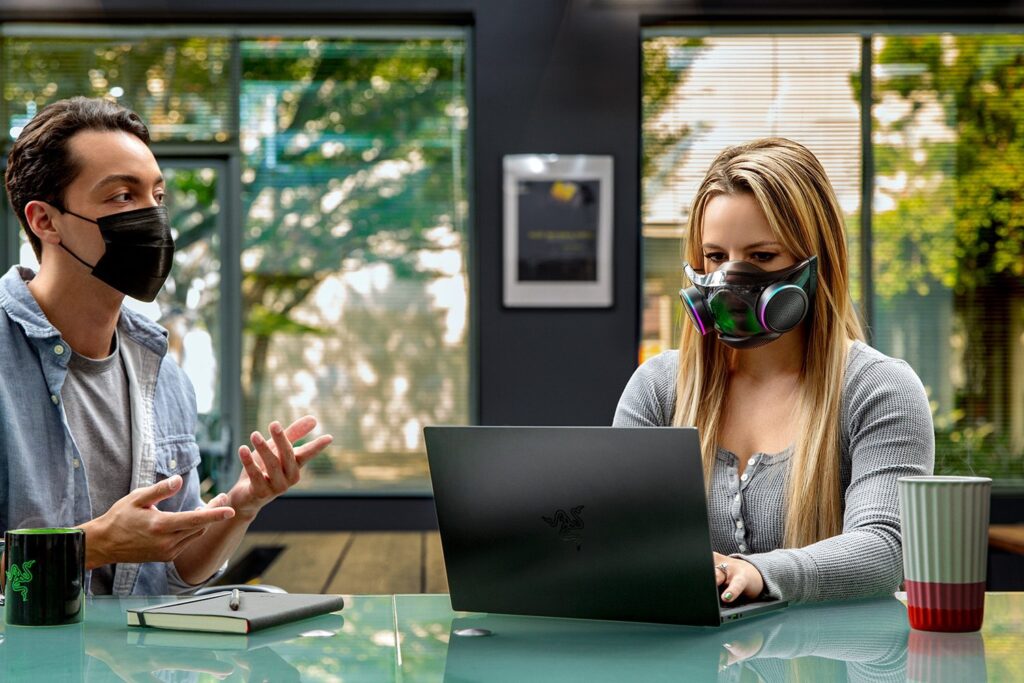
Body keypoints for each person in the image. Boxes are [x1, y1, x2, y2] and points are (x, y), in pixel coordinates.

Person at [1, 97, 333, 595]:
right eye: (122, 197)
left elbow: (173, 574)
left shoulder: (164, 373)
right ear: (46, 220)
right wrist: (92, 547)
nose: (153, 217)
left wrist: (240, 505)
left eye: (156, 196)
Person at [613, 138, 934, 604]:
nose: (729, 281)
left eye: (762, 257)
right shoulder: (659, 388)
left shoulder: (879, 390)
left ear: (815, 265)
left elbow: (886, 550)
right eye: (716, 257)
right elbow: (614, 537)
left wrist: (757, 572)